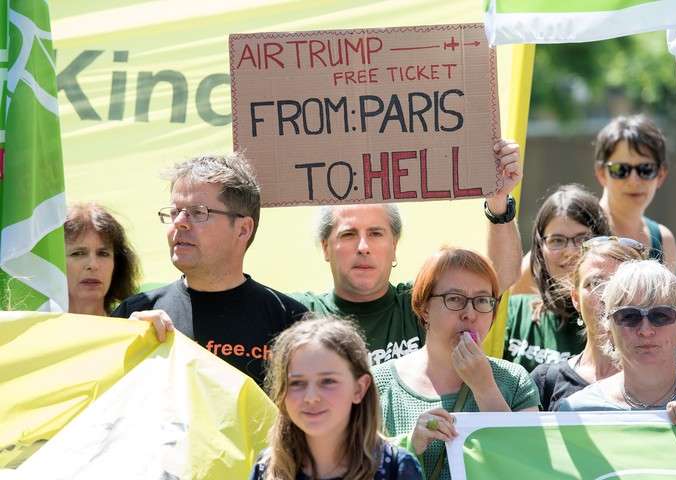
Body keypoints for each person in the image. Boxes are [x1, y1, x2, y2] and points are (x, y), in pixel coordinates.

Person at [292, 140, 523, 366]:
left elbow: (499, 275)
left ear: (394, 246)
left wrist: (498, 200)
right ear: (325, 247)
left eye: (375, 233)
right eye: (349, 234)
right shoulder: (298, 313)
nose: (363, 247)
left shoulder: (422, 305)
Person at [113, 153, 307, 386]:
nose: (179, 222)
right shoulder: (136, 316)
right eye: (175, 211)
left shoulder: (290, 321)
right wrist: (124, 347)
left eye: (198, 212)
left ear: (243, 229)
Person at [373, 247, 539, 480]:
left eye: (482, 300)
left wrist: (485, 389)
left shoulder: (515, 379)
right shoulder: (377, 383)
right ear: (424, 308)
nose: (470, 313)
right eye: (454, 299)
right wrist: (411, 444)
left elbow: (528, 466)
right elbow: (354, 467)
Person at [533, 212, 676, 411]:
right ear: (575, 298)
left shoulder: (667, 358)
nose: (607, 294)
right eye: (595, 283)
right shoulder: (548, 382)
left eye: (622, 284)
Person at [251, 315, 423, 480]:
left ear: (359, 389)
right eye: (296, 383)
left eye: (327, 381)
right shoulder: (266, 469)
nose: (311, 398)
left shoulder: (394, 468)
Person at [557, 260, 676, 412]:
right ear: (609, 329)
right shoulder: (578, 411)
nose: (645, 330)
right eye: (629, 316)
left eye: (661, 315)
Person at [505, 184, 612, 372]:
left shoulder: (623, 322)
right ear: (540, 249)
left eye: (582, 239)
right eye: (557, 240)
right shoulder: (514, 313)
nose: (570, 252)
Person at [593, 114, 676, 271]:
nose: (634, 180)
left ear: (661, 175)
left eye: (646, 169)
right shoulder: (576, 231)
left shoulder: (663, 241)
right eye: (620, 169)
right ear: (601, 173)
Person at [64, 203, 140, 315]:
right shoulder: (34, 329)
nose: (93, 265)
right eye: (78, 253)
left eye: (103, 254)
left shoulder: (138, 327)